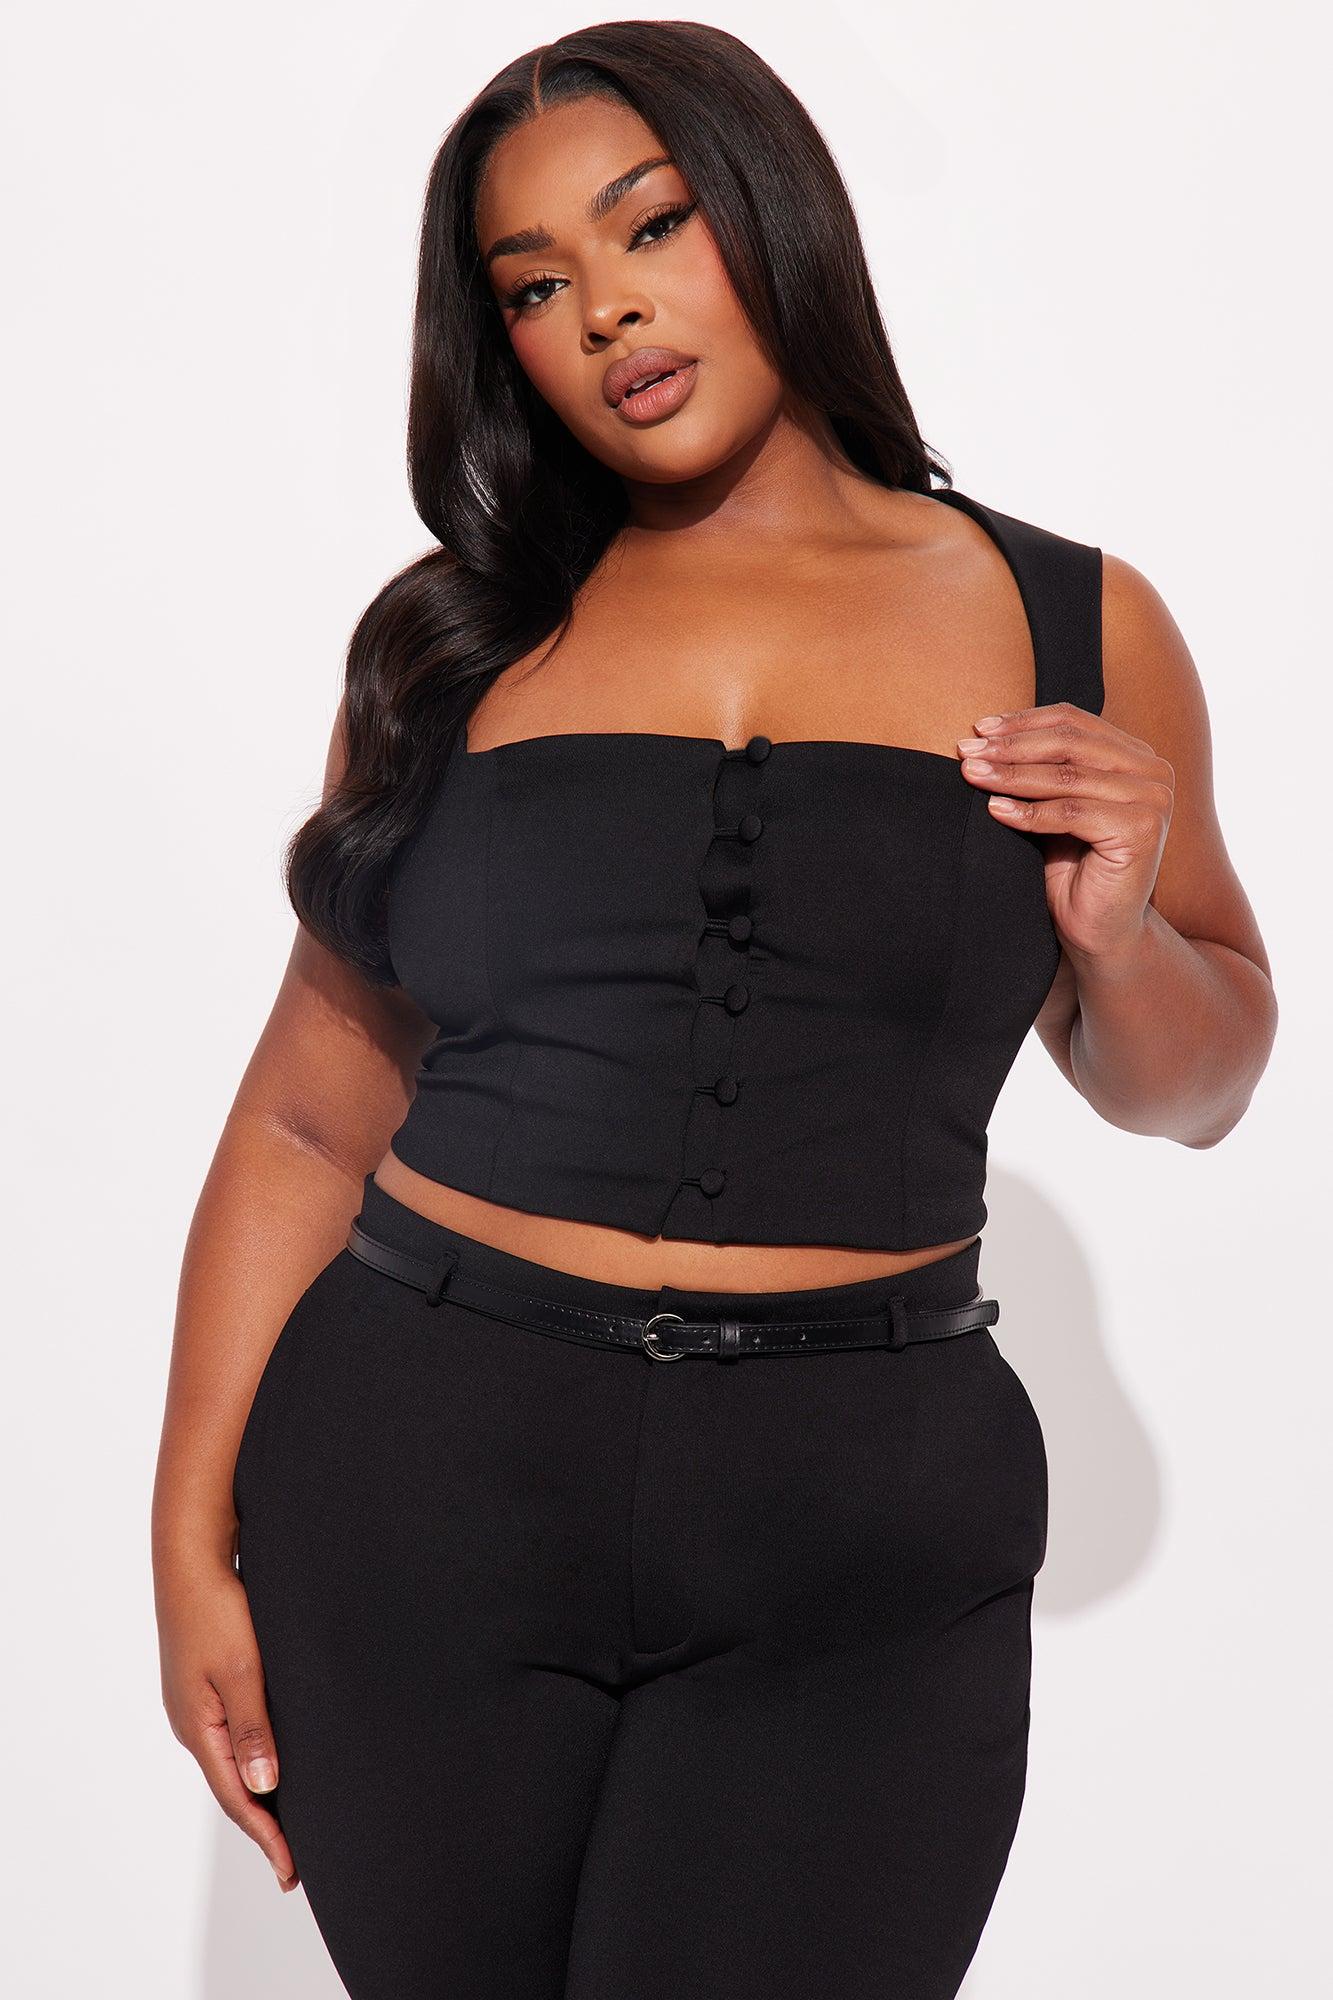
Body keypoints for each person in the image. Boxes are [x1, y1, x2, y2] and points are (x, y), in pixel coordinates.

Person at [151, 21, 1277, 2000]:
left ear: (771, 211)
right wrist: (187, 1538)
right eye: (532, 286)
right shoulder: (450, 645)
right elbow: (312, 1118)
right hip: (423, 1483)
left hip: (860, 1523)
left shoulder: (1072, 624)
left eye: (648, 225)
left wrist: (1120, 935)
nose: (603, 309)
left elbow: (1195, 1087)